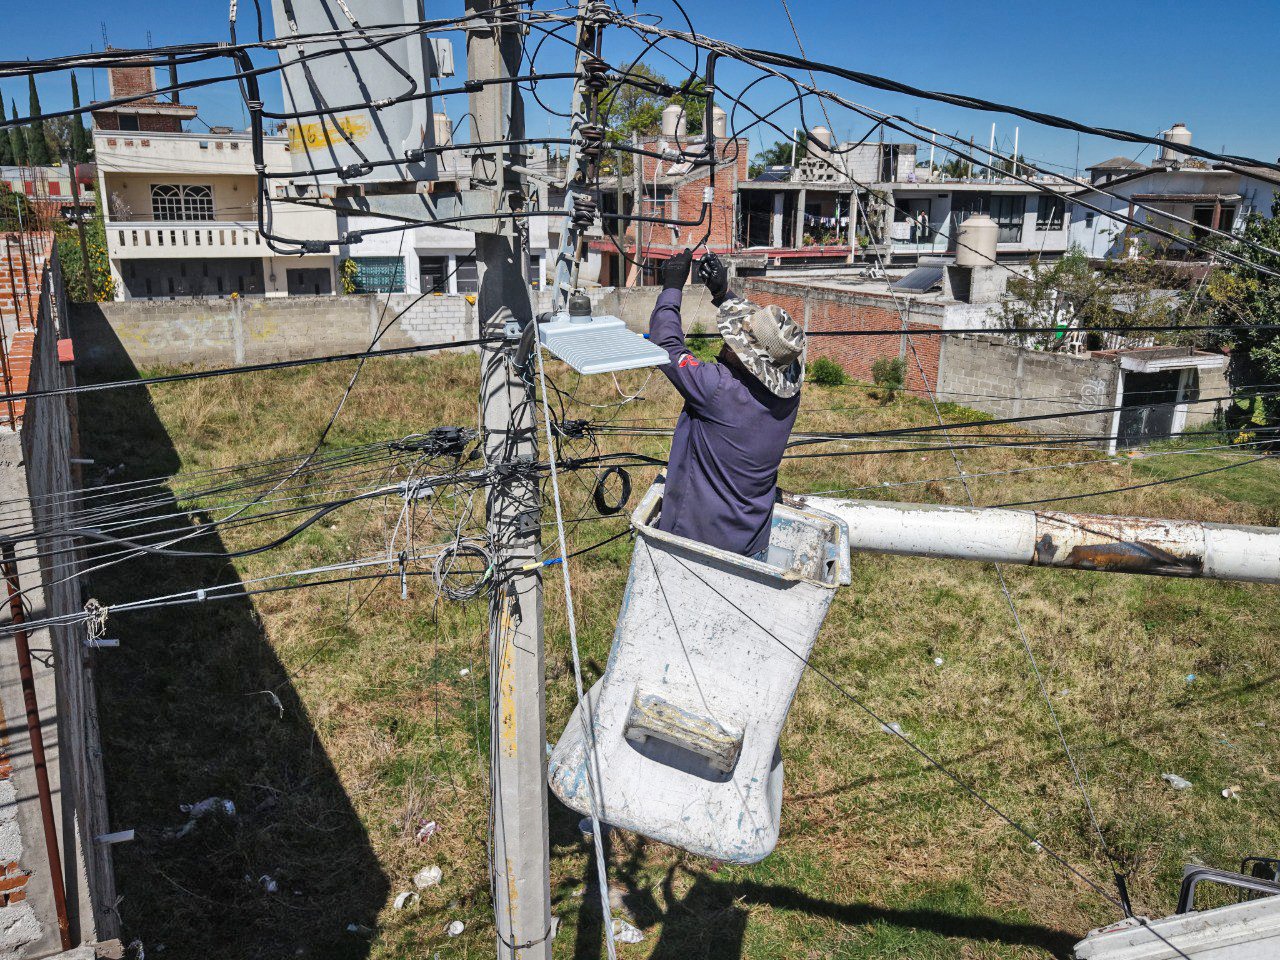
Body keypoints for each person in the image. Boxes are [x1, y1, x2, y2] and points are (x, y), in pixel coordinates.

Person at [647, 249, 805, 560]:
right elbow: (764, 338)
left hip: (696, 545)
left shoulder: (717, 389)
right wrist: (722, 292)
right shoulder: (789, 395)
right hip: (751, 542)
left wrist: (671, 288)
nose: (728, 342)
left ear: (746, 359)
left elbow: (666, 342)